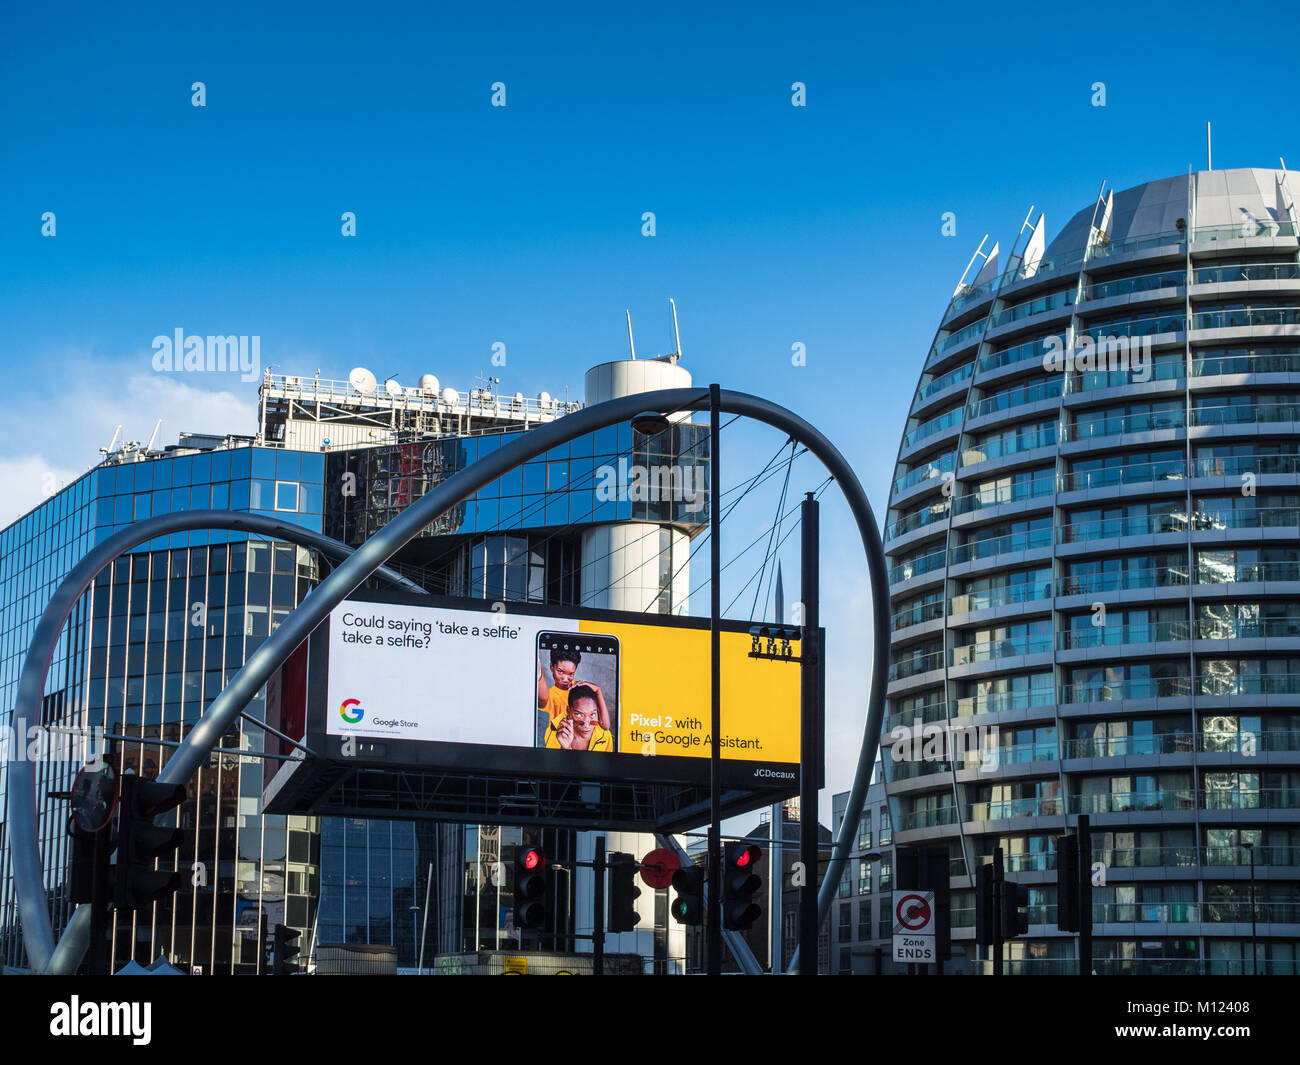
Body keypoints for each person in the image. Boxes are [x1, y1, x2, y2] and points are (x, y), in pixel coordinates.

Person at [536, 646, 610, 732]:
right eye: (560, 671)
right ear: (552, 667)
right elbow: (543, 697)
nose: (565, 679)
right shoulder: (549, 697)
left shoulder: (582, 690)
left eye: (571, 674)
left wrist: (598, 690)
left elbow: (606, 726)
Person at [543, 686, 613, 752]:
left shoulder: (605, 736)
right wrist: (565, 748)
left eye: (592, 714)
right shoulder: (553, 733)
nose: (586, 724)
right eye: (579, 714)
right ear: (568, 711)